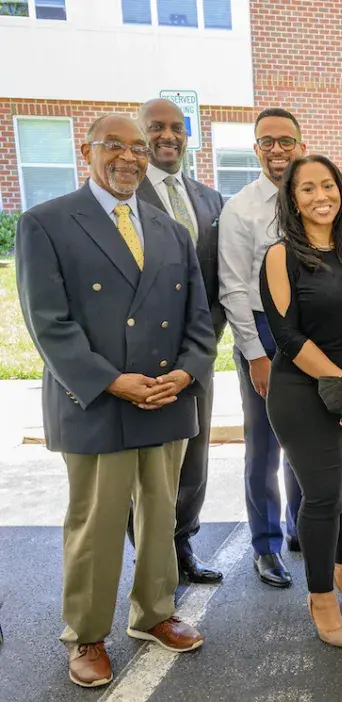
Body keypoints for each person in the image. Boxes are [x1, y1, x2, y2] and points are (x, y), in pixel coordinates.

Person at [15, 113, 215, 688]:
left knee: (161, 517)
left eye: (137, 148)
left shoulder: (169, 228)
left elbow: (197, 319)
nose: (129, 157)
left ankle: (155, 614)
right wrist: (111, 381)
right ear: (87, 152)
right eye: (114, 146)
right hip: (97, 399)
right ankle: (87, 635)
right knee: (97, 525)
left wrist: (185, 374)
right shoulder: (46, 223)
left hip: (165, 396)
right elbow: (49, 324)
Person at [261, 154, 342, 647]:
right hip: (304, 389)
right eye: (308, 189)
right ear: (292, 201)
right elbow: (288, 337)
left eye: (329, 186)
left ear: (341, 191)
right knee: (324, 495)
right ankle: (319, 596)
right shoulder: (281, 256)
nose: (322, 197)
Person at [132, 97, 227, 584]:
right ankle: (148, 555)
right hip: (139, 358)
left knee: (194, 453)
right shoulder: (123, 197)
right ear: (140, 134)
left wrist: (203, 347)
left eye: (175, 127)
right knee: (145, 463)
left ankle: (181, 544)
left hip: (198, 352)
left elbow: (218, 279)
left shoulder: (209, 199)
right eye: (155, 128)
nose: (167, 136)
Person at [218, 108, 307, 588]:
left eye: (286, 141)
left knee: (305, 438)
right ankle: (266, 546)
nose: (277, 149)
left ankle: (298, 527)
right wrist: (254, 353)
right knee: (264, 445)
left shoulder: (313, 197)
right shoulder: (241, 208)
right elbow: (232, 286)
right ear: (256, 148)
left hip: (308, 331)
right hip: (262, 332)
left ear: (300, 145)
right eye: (267, 141)